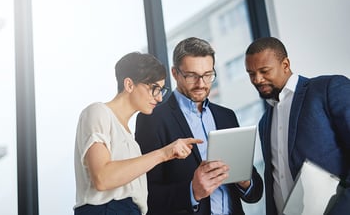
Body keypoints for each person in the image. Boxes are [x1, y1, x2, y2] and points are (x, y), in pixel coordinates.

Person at [136, 37, 263, 215]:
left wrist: (245, 182)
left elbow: (255, 192)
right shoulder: (153, 119)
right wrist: (192, 192)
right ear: (175, 73)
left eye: (208, 75)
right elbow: (146, 195)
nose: (201, 84)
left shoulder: (226, 116)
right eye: (192, 76)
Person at [74, 51, 202, 215]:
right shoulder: (98, 112)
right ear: (129, 85)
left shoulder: (130, 139)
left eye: (161, 90)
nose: (159, 98)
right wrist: (164, 153)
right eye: (154, 88)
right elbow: (102, 178)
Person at [244, 36, 350, 215]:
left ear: (285, 65)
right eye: (251, 74)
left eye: (264, 71)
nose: (257, 79)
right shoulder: (264, 122)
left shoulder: (327, 89)